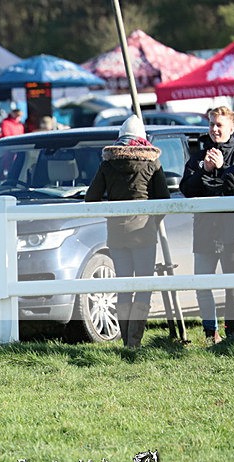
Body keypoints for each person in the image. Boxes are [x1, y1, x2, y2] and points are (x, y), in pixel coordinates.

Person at [85, 115, 170, 348]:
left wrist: (113, 216)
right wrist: (151, 221)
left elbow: (91, 198)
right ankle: (135, 340)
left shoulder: (108, 163)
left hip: (116, 234)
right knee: (143, 286)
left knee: (123, 286)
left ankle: (125, 340)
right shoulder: (152, 162)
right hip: (144, 233)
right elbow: (164, 199)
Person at [179, 105, 234, 344]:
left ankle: (233, 336)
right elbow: (187, 190)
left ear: (231, 128)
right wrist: (205, 169)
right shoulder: (198, 156)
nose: (214, 129)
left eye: (219, 125)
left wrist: (222, 169)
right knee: (202, 284)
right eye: (212, 124)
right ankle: (210, 333)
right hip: (204, 231)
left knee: (233, 288)